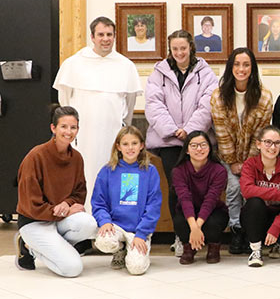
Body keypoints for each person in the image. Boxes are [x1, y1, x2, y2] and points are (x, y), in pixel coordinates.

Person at [53, 16, 142, 209]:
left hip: (112, 133)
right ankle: (82, 220)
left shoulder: (125, 65)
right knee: (83, 175)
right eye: (101, 34)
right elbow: (65, 99)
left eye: (109, 34)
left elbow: (129, 103)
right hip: (83, 136)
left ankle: (111, 223)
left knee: (113, 175)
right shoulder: (74, 63)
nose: (105, 39)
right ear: (92, 37)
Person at [145, 29, 218, 257]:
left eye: (183, 48)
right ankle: (181, 236)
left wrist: (189, 132)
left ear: (191, 48)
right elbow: (154, 103)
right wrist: (173, 131)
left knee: (201, 191)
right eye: (175, 49)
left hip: (197, 141)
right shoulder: (159, 72)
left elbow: (208, 103)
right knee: (177, 190)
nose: (179, 53)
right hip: (169, 142)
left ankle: (202, 235)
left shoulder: (206, 73)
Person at [15, 106, 98, 277]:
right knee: (73, 268)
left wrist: (67, 204)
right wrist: (64, 211)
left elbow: (79, 193)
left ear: (78, 130)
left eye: (73, 127)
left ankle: (35, 247)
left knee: (89, 224)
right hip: (34, 221)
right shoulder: (35, 156)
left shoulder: (76, 158)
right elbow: (30, 204)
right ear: (53, 128)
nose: (69, 132)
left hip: (57, 219)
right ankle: (29, 247)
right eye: (63, 126)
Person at [210, 47, 274, 254]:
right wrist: (232, 162)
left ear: (253, 68)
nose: (241, 69)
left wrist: (248, 162)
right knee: (234, 188)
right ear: (230, 68)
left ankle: (250, 232)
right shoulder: (218, 96)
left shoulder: (264, 97)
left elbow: (261, 134)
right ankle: (236, 229)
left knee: (251, 191)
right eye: (237, 64)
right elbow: (221, 132)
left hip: (254, 159)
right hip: (227, 158)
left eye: (246, 64)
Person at [92, 127, 162, 275]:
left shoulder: (150, 171)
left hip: (137, 229)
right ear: (118, 146)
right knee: (104, 242)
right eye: (125, 144)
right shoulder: (107, 171)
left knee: (136, 269)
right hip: (115, 226)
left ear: (141, 145)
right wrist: (105, 221)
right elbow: (99, 202)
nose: (130, 148)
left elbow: (153, 206)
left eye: (134, 143)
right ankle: (120, 249)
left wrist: (141, 234)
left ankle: (138, 249)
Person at [240, 126, 280, 266]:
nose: (272, 147)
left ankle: (278, 244)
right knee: (254, 202)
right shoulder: (250, 164)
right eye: (268, 142)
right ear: (258, 144)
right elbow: (247, 190)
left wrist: (276, 228)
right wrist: (279, 194)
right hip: (256, 217)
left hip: (278, 216)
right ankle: (255, 250)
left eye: (277, 143)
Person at [172, 131, 229, 265]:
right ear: (186, 150)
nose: (199, 149)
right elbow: (184, 199)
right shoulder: (178, 171)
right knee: (180, 221)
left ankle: (214, 247)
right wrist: (194, 228)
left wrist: (197, 227)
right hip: (189, 211)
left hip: (213, 210)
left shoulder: (219, 170)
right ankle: (189, 247)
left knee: (214, 222)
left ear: (209, 148)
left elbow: (211, 200)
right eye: (194, 145)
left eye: (203, 145)